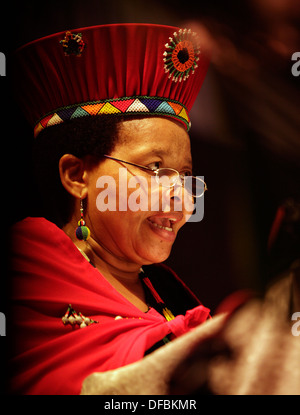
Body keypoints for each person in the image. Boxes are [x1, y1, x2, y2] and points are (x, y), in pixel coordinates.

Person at [8, 23, 212, 394]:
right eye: (153, 169)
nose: (182, 200)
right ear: (77, 175)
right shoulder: (24, 273)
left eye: (185, 177)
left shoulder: (170, 295)